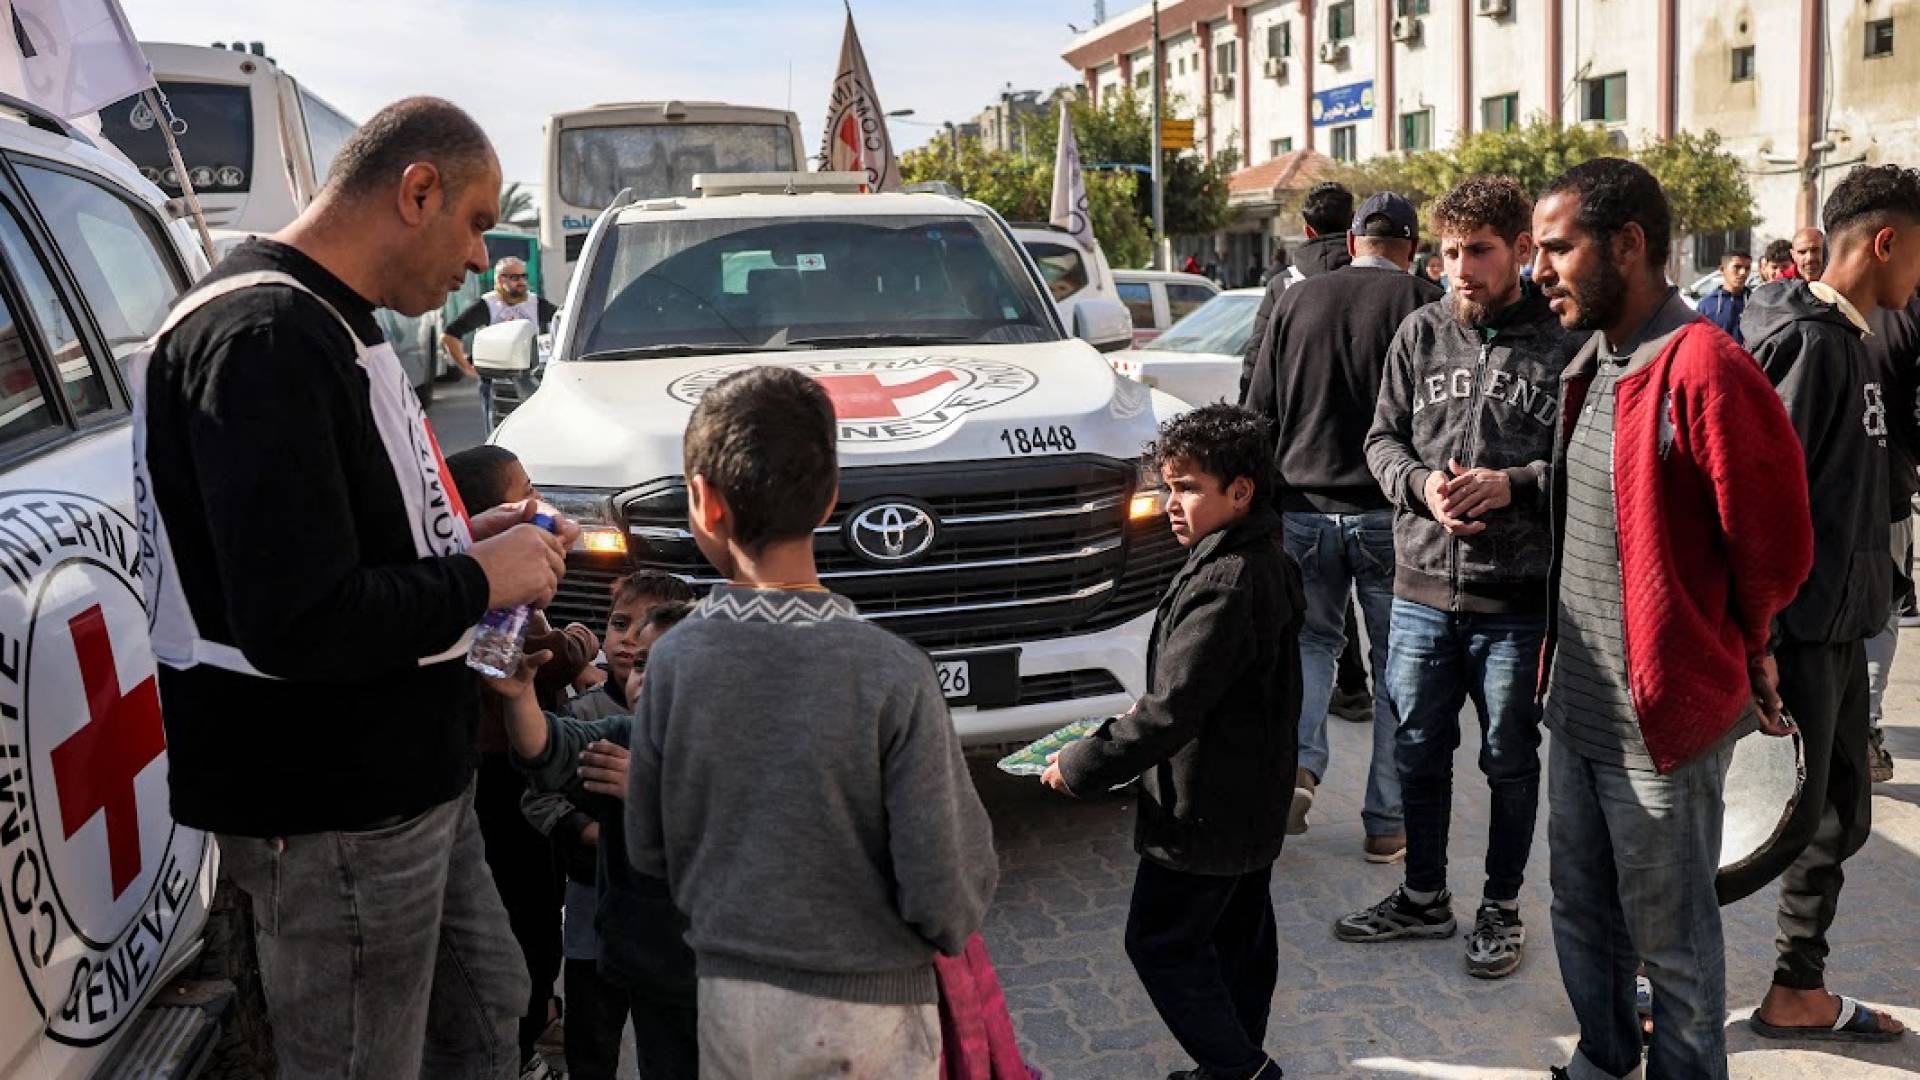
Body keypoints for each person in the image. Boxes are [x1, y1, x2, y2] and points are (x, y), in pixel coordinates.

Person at [134, 96, 579, 1079]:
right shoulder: (265, 336)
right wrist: (475, 576)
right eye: (474, 221)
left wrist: (467, 533)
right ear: (416, 190)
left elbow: (350, 532)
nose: (480, 257)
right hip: (335, 810)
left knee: (487, 1017)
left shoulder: (329, 320)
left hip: (405, 788)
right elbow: (299, 620)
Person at [613, 366, 994, 1077]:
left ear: (703, 503)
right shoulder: (891, 671)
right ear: (830, 500)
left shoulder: (671, 664)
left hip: (731, 1006)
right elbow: (946, 889)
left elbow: (649, 847)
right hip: (873, 1019)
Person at [1529, 158, 1813, 1080]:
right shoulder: (1595, 360)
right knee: (1580, 910)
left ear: (1629, 245)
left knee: (1675, 948)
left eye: (1557, 247)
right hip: (1576, 709)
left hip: (1662, 727)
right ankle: (1605, 1061)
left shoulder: (1706, 367)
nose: (1541, 269)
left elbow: (1774, 548)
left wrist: (1744, 646)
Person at [1346, 176, 1580, 979]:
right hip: (1416, 589)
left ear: (1520, 250)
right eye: (1448, 252)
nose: (1459, 269)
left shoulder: (1562, 340)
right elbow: (1381, 441)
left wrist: (1512, 483)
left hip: (1514, 602)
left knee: (1510, 759)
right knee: (1416, 747)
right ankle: (1421, 897)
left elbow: (1587, 462)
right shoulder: (1418, 333)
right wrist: (1420, 488)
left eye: (1477, 251)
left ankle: (1503, 907)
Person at [1042, 403, 1301, 1080]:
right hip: (1251, 796)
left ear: (1241, 491)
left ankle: (1244, 1070)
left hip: (1203, 809)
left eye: (1188, 488)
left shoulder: (1227, 582)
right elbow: (1209, 688)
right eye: (1168, 486)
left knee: (1158, 942)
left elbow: (1169, 714)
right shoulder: (1259, 555)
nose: (1171, 505)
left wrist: (1083, 763)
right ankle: (1232, 1064)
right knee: (1239, 940)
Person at [1724, 165, 1920, 1044]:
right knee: (1761, 823)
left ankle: (1797, 987)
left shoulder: (1860, 338)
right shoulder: (1805, 341)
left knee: (1837, 815)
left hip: (1843, 625)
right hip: (1793, 634)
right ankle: (1646, 967)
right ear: (1886, 242)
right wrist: (1759, 638)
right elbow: (1763, 503)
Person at [1244, 191, 1442, 858]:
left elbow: (1258, 405)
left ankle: (1298, 766)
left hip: (1301, 510)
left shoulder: (1295, 298)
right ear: (1410, 247)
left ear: (1352, 241)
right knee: (1395, 670)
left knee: (1310, 646)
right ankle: (1387, 824)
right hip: (1391, 515)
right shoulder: (1424, 303)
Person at [448, 445, 597, 1070]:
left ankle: (536, 1016)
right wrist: (581, 645)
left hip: (491, 764)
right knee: (528, 904)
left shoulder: (470, 567)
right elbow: (520, 658)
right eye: (526, 491)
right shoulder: (495, 580)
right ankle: (532, 1026)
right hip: (505, 765)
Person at [517, 585, 700, 1080]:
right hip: (638, 955)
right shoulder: (620, 733)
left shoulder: (728, 752)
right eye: (641, 665)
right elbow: (550, 750)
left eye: (666, 667)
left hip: (710, 971)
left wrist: (648, 793)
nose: (644, 679)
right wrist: (517, 697)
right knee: (608, 1044)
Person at [1865, 289, 1920, 782]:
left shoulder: (1803, 313)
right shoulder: (1908, 313)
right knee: (1882, 616)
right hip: (1888, 497)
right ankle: (1865, 728)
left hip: (1828, 501)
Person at [1239, 180, 1355, 401]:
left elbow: (1257, 357)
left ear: (1308, 231)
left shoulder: (1283, 285)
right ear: (1354, 224)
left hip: (1294, 419)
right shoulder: (1377, 281)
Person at [443, 255, 557, 428]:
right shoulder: (488, 305)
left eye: (524, 276)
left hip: (531, 378)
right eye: (515, 277)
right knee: (498, 436)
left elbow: (562, 322)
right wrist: (466, 368)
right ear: (500, 279)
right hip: (494, 382)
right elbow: (450, 335)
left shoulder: (535, 303)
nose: (521, 282)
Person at [1695, 249, 1754, 344]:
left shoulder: (1756, 302)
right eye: (1737, 267)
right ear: (1722, 270)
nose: (1743, 272)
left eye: (1747, 268)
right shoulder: (1706, 305)